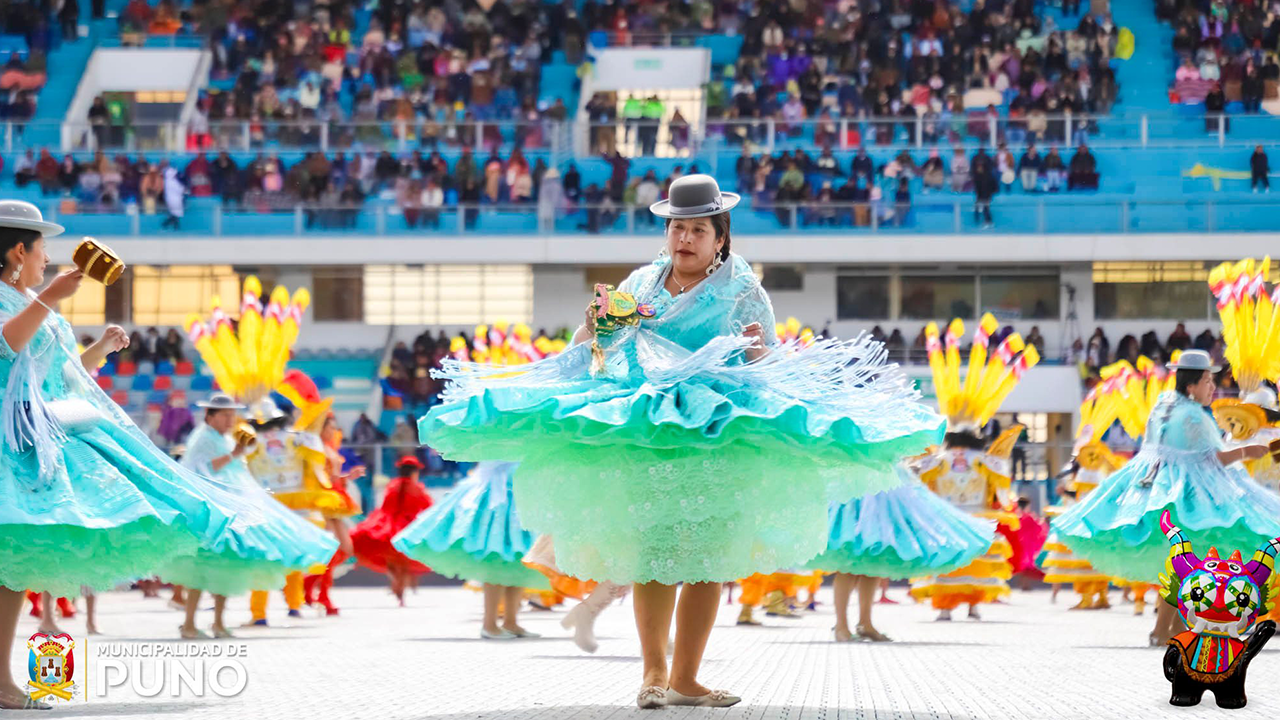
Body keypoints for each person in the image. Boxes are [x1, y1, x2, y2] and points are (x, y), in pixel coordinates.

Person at [417, 174, 943, 709]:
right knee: (654, 556)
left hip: (719, 440)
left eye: (697, 230)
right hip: (652, 440)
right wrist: (591, 328)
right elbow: (593, 347)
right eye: (677, 228)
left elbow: (769, 365)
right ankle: (653, 673)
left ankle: (686, 679)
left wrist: (757, 353)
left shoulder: (743, 290)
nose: (684, 239)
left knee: (707, 561)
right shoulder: (641, 283)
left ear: (720, 237)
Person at [0, 201, 246, 710]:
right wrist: (51, 297)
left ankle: (4, 679)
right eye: (42, 249)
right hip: (14, 436)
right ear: (19, 250)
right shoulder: (22, 301)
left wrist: (101, 351)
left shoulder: (31, 299)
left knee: (14, 566)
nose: (47, 259)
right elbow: (7, 345)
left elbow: (62, 374)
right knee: (10, 563)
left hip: (41, 434)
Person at [1054, 350, 1280, 645]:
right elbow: (1211, 459)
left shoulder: (1164, 405)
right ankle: (1163, 629)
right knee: (1186, 561)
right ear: (1192, 385)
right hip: (1186, 494)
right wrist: (1247, 451)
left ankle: (1170, 629)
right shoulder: (1193, 416)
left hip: (1156, 488)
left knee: (1179, 561)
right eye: (1208, 381)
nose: (1213, 387)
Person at [162, 394, 337, 639]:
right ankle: (189, 624)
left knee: (224, 567)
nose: (230, 420)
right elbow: (203, 469)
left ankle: (218, 623)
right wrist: (235, 454)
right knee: (201, 569)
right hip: (211, 513)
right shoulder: (203, 438)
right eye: (225, 415)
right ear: (210, 416)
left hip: (230, 510)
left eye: (232, 415)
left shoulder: (223, 438)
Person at [806, 465, 994, 642]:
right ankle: (841, 626)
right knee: (848, 561)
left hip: (885, 488)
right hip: (854, 487)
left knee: (874, 561)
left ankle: (865, 623)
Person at [392, 462, 549, 638]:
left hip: (519, 491)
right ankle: (489, 625)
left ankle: (510, 622)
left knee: (518, 558)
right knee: (495, 558)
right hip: (494, 495)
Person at [351, 455, 434, 606]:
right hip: (408, 529)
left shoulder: (392, 486)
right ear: (414, 472)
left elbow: (385, 508)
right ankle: (401, 589)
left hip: (387, 530)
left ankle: (397, 585)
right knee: (405, 564)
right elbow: (428, 508)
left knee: (391, 562)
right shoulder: (417, 488)